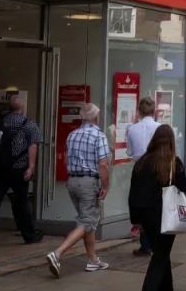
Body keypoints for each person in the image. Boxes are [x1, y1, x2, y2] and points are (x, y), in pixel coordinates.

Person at [46, 103, 111, 277]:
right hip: (89, 182)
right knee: (86, 222)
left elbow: (66, 160)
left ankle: (93, 260)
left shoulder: (72, 135)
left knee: (87, 220)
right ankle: (57, 254)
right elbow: (103, 164)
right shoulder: (99, 136)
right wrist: (106, 185)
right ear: (96, 117)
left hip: (73, 181)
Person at [0, 94, 44, 252]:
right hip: (19, 169)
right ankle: (28, 235)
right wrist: (31, 166)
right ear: (22, 107)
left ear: (9, 108)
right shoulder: (29, 124)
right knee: (21, 202)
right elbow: (33, 145)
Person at [129, 125, 186, 291]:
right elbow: (184, 186)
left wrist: (135, 219)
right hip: (166, 216)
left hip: (146, 217)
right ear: (171, 141)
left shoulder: (142, 162)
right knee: (160, 257)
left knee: (162, 254)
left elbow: (133, 193)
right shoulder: (172, 162)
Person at [125, 96, 161, 256]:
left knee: (140, 204)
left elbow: (129, 151)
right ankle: (156, 240)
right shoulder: (160, 128)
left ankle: (145, 244)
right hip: (156, 168)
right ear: (154, 111)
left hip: (139, 168)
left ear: (139, 111)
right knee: (156, 204)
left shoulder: (132, 129)